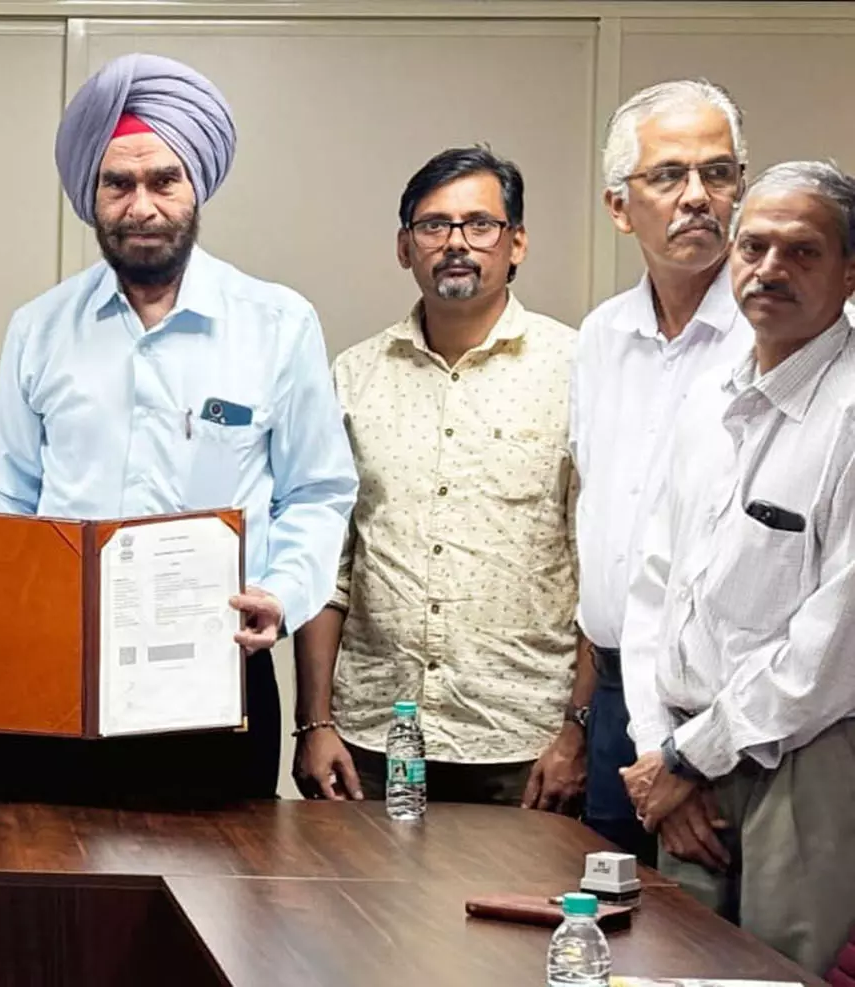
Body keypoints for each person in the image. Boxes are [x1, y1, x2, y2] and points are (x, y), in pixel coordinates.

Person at [0, 52, 357, 805]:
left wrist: (282, 593)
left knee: (226, 876)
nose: (141, 206)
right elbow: (10, 494)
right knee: (59, 868)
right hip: (61, 678)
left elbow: (318, 492)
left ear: (197, 186)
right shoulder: (39, 328)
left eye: (163, 180)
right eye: (117, 183)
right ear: (91, 197)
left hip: (220, 672)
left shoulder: (277, 324)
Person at [619, 160, 855, 977]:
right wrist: (661, 752)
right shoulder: (709, 395)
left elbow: (833, 646)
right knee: (675, 963)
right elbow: (652, 588)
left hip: (800, 761)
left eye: (802, 251)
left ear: (850, 271)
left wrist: (691, 757)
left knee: (777, 973)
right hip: (685, 760)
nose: (770, 268)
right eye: (753, 247)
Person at [293, 148, 583, 809]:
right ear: (405, 247)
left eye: (480, 224)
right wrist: (315, 722)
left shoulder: (575, 369)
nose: (456, 243)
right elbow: (329, 568)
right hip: (373, 740)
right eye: (433, 225)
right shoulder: (354, 376)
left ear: (517, 243)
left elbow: (599, 568)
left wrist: (577, 733)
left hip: (525, 743)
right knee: (358, 885)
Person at [573, 80, 753, 861]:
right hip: (618, 698)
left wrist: (684, 759)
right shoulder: (601, 336)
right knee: (610, 919)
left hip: (731, 715)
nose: (698, 196)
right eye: (669, 175)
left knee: (712, 931)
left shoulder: (783, 336)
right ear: (619, 207)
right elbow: (601, 529)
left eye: (718, 173)